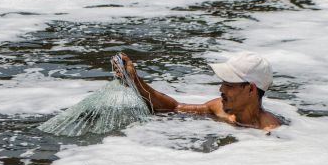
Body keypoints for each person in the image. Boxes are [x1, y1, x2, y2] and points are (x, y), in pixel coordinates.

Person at [119, 51, 281, 131]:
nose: (221, 89)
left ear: (251, 89)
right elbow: (175, 107)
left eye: (229, 85)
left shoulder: (268, 130)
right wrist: (136, 81)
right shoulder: (219, 108)